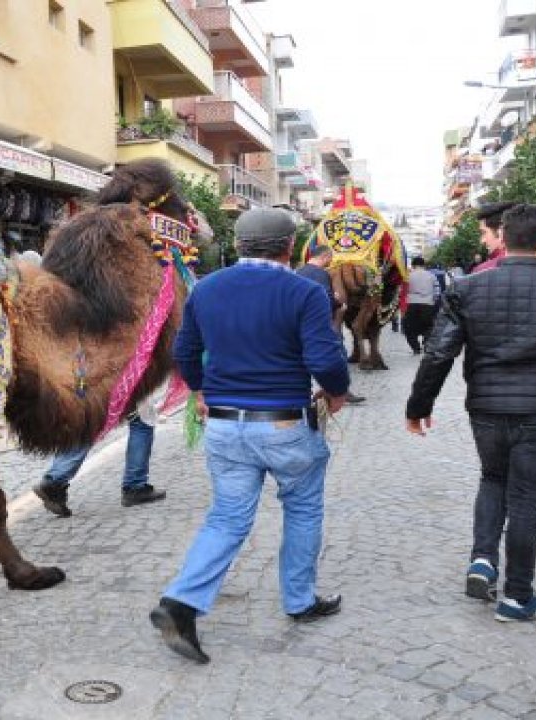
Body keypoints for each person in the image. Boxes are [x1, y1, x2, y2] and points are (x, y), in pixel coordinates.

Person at [150, 208, 350, 664]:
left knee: (226, 519)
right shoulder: (304, 291)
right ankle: (299, 600)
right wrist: (337, 392)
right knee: (302, 509)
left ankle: (180, 602)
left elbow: (185, 350)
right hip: (284, 424)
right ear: (288, 247)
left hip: (224, 424)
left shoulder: (207, 289)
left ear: (239, 245)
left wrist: (200, 391)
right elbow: (325, 358)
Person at [406, 204, 536, 622]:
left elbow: (439, 352)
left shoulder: (467, 288)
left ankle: (482, 560)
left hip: (486, 405)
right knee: (528, 499)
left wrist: (419, 406)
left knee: (493, 478)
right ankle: (518, 597)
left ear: (504, 235)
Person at [33, 396, 165, 517]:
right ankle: (135, 486)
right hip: (116, 374)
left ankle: (55, 479)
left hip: (85, 377)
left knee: (88, 422)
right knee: (141, 421)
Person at [295, 246, 365, 404]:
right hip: (322, 324)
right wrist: (339, 302)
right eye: (330, 258)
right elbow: (325, 299)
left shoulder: (299, 272)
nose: (331, 261)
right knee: (337, 352)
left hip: (300, 325)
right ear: (325, 256)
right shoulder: (321, 274)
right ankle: (340, 392)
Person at [401, 257, 439, 355]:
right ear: (424, 265)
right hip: (428, 304)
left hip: (412, 304)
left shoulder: (408, 276)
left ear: (413, 265)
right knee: (429, 327)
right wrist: (433, 302)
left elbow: (402, 291)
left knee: (409, 328)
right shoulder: (432, 275)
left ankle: (416, 348)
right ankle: (426, 344)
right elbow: (437, 292)